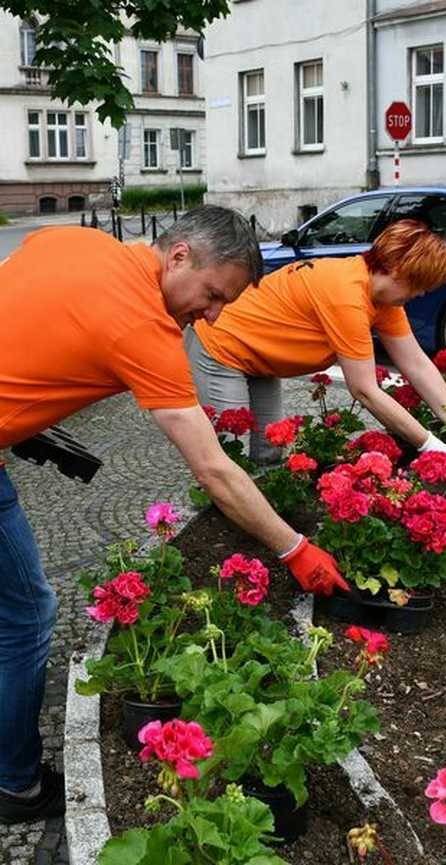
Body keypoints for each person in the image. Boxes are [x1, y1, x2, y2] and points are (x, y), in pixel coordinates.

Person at [0, 206, 347, 825]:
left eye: (225, 305)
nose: (211, 316)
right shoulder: (143, 328)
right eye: (213, 295)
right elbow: (214, 471)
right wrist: (295, 548)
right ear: (180, 254)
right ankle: (14, 785)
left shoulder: (75, 241)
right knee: (26, 613)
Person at [185, 219, 446, 462]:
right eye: (418, 284)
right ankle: (219, 518)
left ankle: (258, 517)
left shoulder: (383, 300)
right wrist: (429, 445)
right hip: (220, 346)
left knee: (270, 449)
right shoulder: (346, 294)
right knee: (228, 454)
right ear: (395, 268)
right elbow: (365, 391)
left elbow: (417, 364)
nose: (421, 294)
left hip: (261, 359)